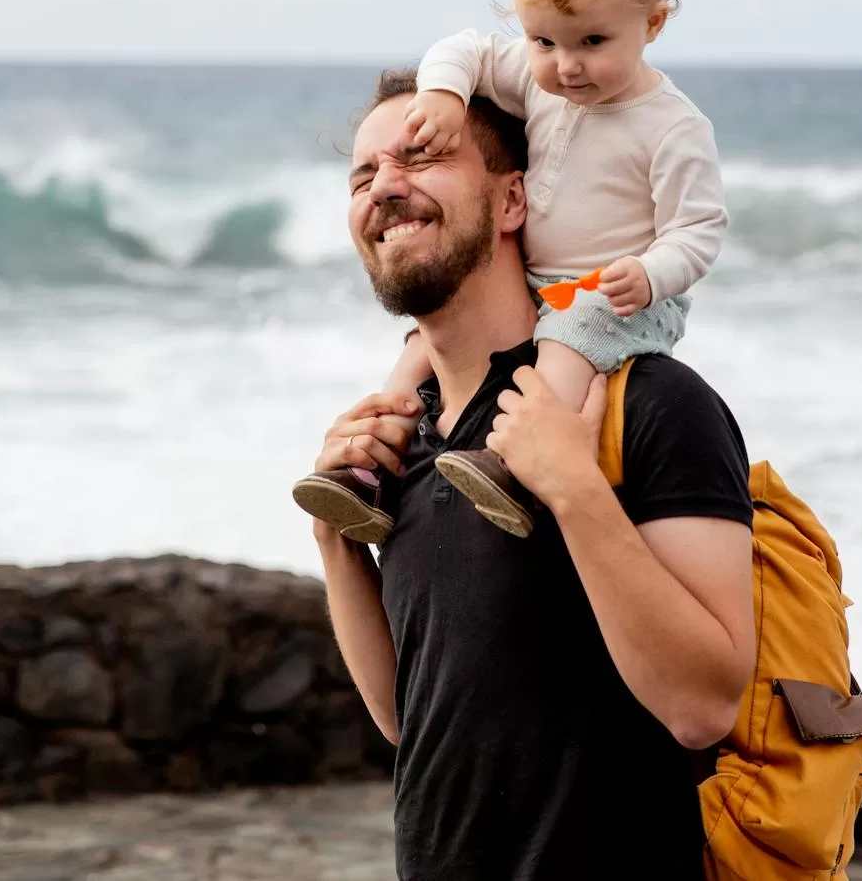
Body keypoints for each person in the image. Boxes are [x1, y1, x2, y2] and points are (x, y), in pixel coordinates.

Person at [310, 69, 755, 880]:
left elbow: (704, 705)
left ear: (513, 200)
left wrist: (575, 490)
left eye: (420, 155)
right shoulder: (404, 436)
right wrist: (334, 542)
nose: (385, 187)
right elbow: (409, 721)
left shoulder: (649, 403)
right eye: (363, 174)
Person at [293, 0, 726, 541]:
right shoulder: (539, 80)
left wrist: (652, 272)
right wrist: (442, 96)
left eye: (592, 42)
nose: (566, 65)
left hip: (620, 294)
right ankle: (373, 466)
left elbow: (699, 228)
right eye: (543, 40)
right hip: (543, 282)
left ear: (654, 23)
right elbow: (461, 49)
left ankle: (511, 468)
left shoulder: (673, 127)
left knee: (566, 336)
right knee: (421, 349)